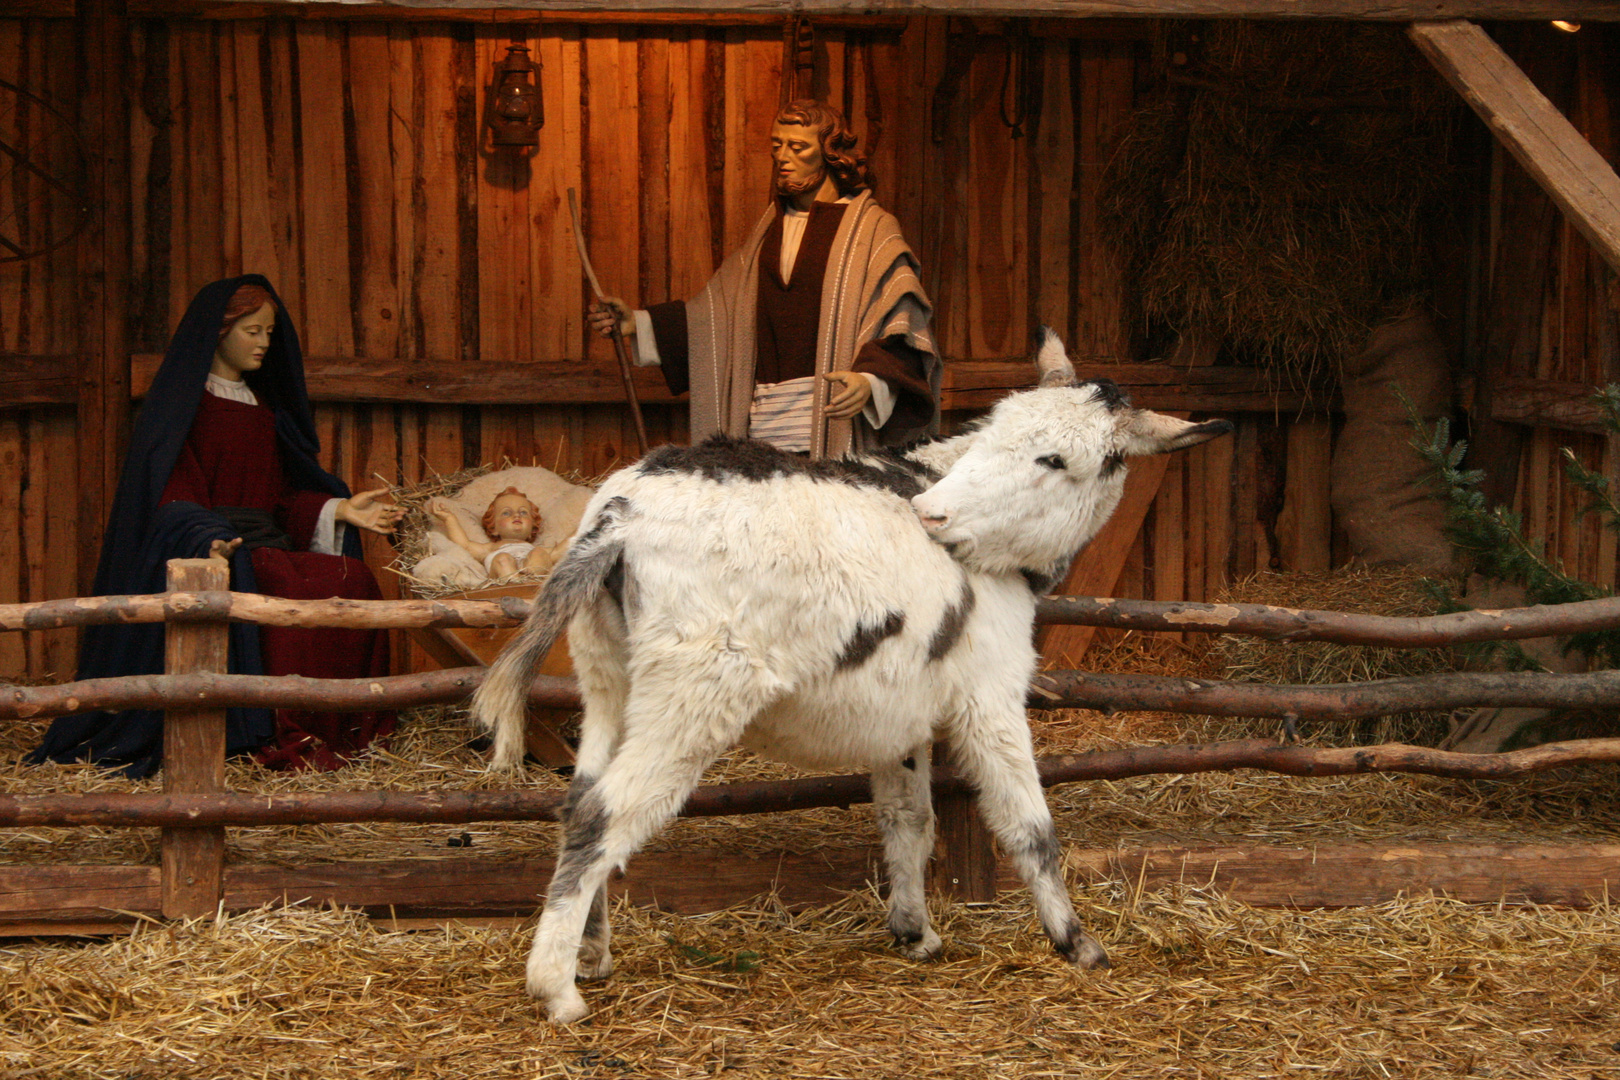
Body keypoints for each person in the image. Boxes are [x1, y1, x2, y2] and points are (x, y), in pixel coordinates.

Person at [28, 275, 402, 776]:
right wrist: (206, 535)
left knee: (352, 579)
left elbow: (282, 498)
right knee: (272, 583)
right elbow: (170, 493)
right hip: (223, 545)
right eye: (252, 330)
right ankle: (263, 727)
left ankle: (339, 729)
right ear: (220, 331)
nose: (265, 343)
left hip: (267, 542)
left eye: (269, 332)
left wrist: (339, 510)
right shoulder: (185, 407)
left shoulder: (262, 408)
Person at [589, 99, 940, 459]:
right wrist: (638, 323)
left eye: (798, 147)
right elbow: (714, 315)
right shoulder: (766, 233)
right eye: (777, 146)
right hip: (764, 428)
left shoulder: (872, 231)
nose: (782, 157)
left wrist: (871, 381)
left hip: (837, 422)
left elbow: (902, 321)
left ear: (830, 154)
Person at [429, 487, 567, 581]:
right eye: (506, 513)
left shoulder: (536, 549)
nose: (516, 515)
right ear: (493, 527)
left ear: (532, 527)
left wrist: (587, 523)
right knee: (503, 559)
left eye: (523, 512)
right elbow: (464, 545)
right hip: (504, 580)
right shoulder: (490, 548)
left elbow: (561, 550)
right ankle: (514, 584)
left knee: (539, 553)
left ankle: (529, 581)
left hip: (533, 582)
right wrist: (449, 519)